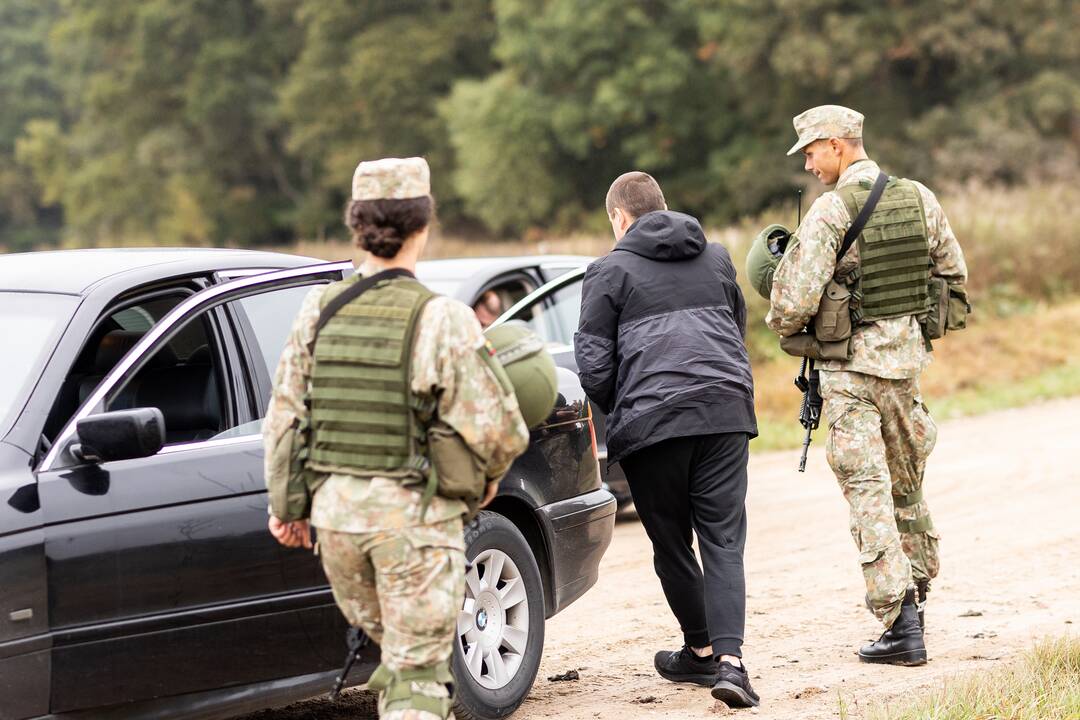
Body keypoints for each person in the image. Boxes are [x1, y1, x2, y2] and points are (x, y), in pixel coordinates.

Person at [263, 157, 529, 719]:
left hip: (335, 527)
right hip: (412, 527)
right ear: (424, 226)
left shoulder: (319, 309)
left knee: (400, 658)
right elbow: (501, 429)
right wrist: (482, 487)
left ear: (356, 225)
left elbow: (285, 416)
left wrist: (289, 509)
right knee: (418, 677)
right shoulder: (441, 318)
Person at [766, 105, 969, 665]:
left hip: (851, 376)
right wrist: (912, 331)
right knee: (907, 489)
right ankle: (918, 597)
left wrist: (783, 320)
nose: (808, 164)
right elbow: (953, 274)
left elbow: (792, 303)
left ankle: (901, 625)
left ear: (836, 145)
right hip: (905, 372)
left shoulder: (831, 210)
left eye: (810, 151)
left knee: (869, 494)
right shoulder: (918, 197)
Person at [574, 171, 760, 708]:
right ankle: (731, 663)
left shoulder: (607, 271)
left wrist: (628, 406)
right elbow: (736, 328)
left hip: (653, 425)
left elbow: (592, 365)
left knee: (673, 543)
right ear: (663, 207)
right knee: (724, 540)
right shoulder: (719, 257)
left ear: (619, 217)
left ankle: (699, 653)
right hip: (724, 413)